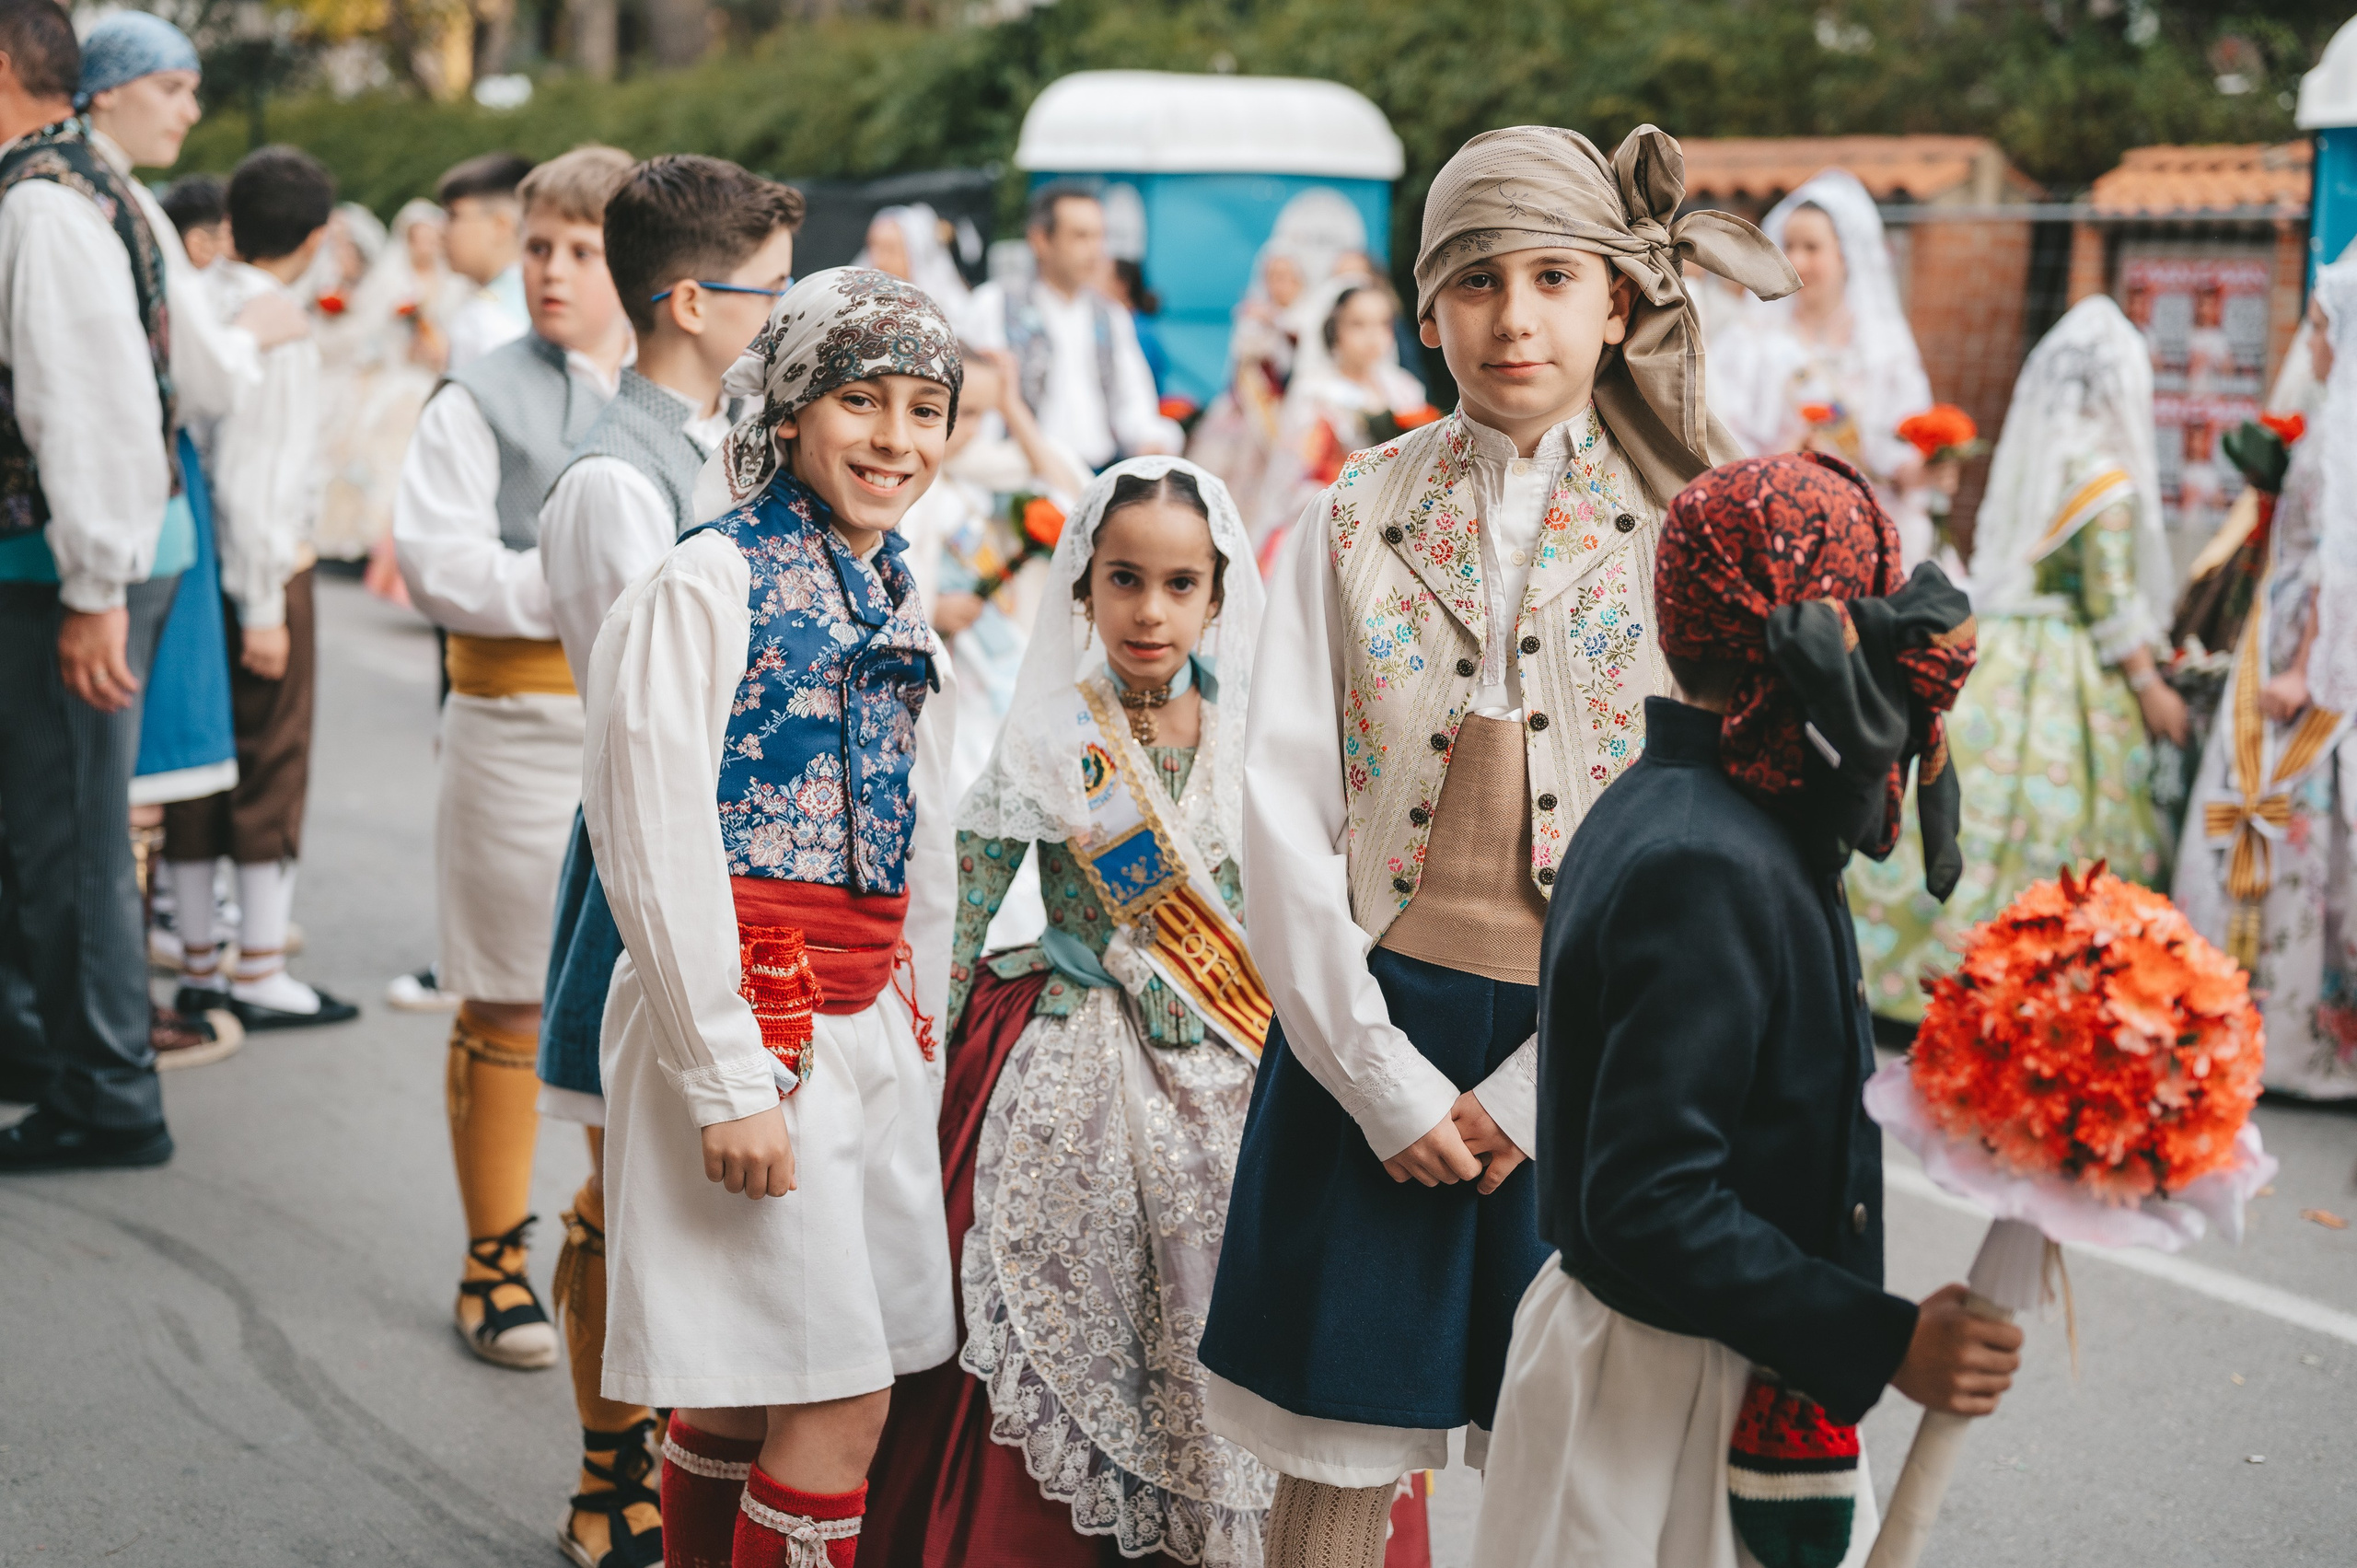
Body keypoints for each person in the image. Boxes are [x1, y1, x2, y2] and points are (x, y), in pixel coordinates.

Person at [1192, 124, 1797, 1568]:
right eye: (1475, 281)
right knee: (1337, 1459)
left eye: (1550, 277)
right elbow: (1276, 814)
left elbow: (1722, 838)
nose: (1513, 316)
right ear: (1424, 309)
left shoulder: (1691, 537)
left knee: (1584, 1469)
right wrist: (1382, 1078)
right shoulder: (1349, 512)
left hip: (1606, 1060)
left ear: (1618, 303)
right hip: (1373, 1037)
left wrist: (1545, 1085)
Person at [1473, 453, 2016, 1567]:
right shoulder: (1704, 855)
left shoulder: (1711, 816)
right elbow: (1648, 1199)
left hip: (1715, 1359)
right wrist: (1883, 1337)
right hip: (1663, 1393)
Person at [582, 267, 962, 1568]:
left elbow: (920, 836)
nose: (895, 438)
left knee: (750, 1388)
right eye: (861, 399)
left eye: (925, 407)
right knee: (838, 1394)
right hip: (749, 1021)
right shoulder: (709, 579)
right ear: (792, 410)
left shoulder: (893, 584)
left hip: (859, 1027)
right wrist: (725, 1069)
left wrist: (922, 1020)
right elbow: (651, 830)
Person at [863, 458, 1274, 1567]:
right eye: (1125, 578)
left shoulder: (1262, 742)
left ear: (1218, 596)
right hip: (1070, 1047)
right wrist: (914, 1064)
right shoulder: (1052, 735)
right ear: (1082, 589)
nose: (1150, 609)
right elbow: (960, 905)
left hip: (1234, 1058)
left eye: (1180, 583)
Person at [533, 151, 803, 1568]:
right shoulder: (611, 483)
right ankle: (605, 1462)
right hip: (651, 860)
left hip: (752, 869)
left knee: (702, 1190)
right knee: (611, 1186)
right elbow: (637, 727)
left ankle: (688, 1445)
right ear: (693, 300)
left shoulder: (724, 454)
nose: (786, 316)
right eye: (769, 291)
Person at [393, 144, 635, 1369]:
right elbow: (438, 563)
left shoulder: (688, 396)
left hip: (640, 733)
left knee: (633, 1004)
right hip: (514, 722)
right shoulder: (479, 393)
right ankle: (494, 1256)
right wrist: (581, 579)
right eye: (539, 245)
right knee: (501, 988)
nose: (551, 269)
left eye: (582, 250)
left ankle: (621, 1250)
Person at [1847, 296, 2184, 1029]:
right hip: (2070, 667)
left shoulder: (2050, 462)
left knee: (1962, 804)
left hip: (2005, 645)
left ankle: (1909, 965)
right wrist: (2152, 686)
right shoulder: (2108, 483)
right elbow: (2114, 603)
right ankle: (2032, 982)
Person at [0, 0, 201, 1159]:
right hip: (79, 553)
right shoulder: (74, 180)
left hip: (72, 564)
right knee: (46, 823)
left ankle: (106, 1095)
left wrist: (91, 590)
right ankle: (46, 1043)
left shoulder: (42, 199)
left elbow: (92, 409)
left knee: (71, 831)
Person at [156, 146, 356, 1035]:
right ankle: (261, 967)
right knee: (272, 765)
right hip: (264, 568)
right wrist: (269, 605)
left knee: (199, 762)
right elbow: (262, 479)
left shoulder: (202, 298)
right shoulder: (278, 322)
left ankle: (202, 961)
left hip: (192, 564)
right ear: (315, 236)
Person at [2174, 264, 2357, 1099]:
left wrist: (2302, 666)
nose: (2311, 343)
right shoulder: (2329, 420)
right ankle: (2248, 1014)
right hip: (2281, 630)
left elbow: (2343, 565)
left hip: (2308, 656)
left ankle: (2286, 1037)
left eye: (2321, 326)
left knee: (2294, 818)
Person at [1709, 170, 1941, 565]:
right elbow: (1721, 437)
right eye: (1789, 246)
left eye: (1812, 248)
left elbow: (1903, 441)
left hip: (1870, 529)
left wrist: (1921, 469)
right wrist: (1787, 457)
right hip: (1778, 528)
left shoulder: (1882, 348)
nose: (1797, 261)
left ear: (1845, 255)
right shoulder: (1748, 342)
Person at [896, 344, 1088, 797]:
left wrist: (1013, 406)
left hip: (997, 634)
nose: (972, 429)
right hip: (947, 646)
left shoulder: (988, 469)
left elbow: (1065, 490)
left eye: (985, 414)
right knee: (963, 762)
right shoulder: (911, 478)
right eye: (963, 412)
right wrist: (933, 610)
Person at [963, 184, 1180, 470]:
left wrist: (1149, 439)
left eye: (1099, 236)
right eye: (1081, 236)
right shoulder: (995, 304)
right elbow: (976, 403)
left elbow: (1133, 399)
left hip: (1099, 469)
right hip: (1020, 476)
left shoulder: (1111, 316)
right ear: (1040, 240)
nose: (1095, 250)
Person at [1251, 274, 1431, 562]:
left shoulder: (1404, 389)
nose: (1373, 336)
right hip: (1335, 524)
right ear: (1335, 329)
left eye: (1382, 324)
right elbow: (1296, 473)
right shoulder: (1315, 395)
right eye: (1358, 324)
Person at [1185, 240, 1308, 534]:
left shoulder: (1308, 318)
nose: (1279, 285)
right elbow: (1242, 367)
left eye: (1286, 277)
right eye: (1273, 277)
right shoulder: (1253, 317)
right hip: (1251, 411)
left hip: (1292, 413)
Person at [438, 150, 533, 371]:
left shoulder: (483, 320)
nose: (442, 231)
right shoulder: (542, 298)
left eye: (453, 216)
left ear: (501, 225)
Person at [858, 202, 971, 326]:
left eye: (890, 250)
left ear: (915, 255)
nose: (878, 261)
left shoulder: (953, 316)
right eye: (872, 248)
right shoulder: (859, 310)